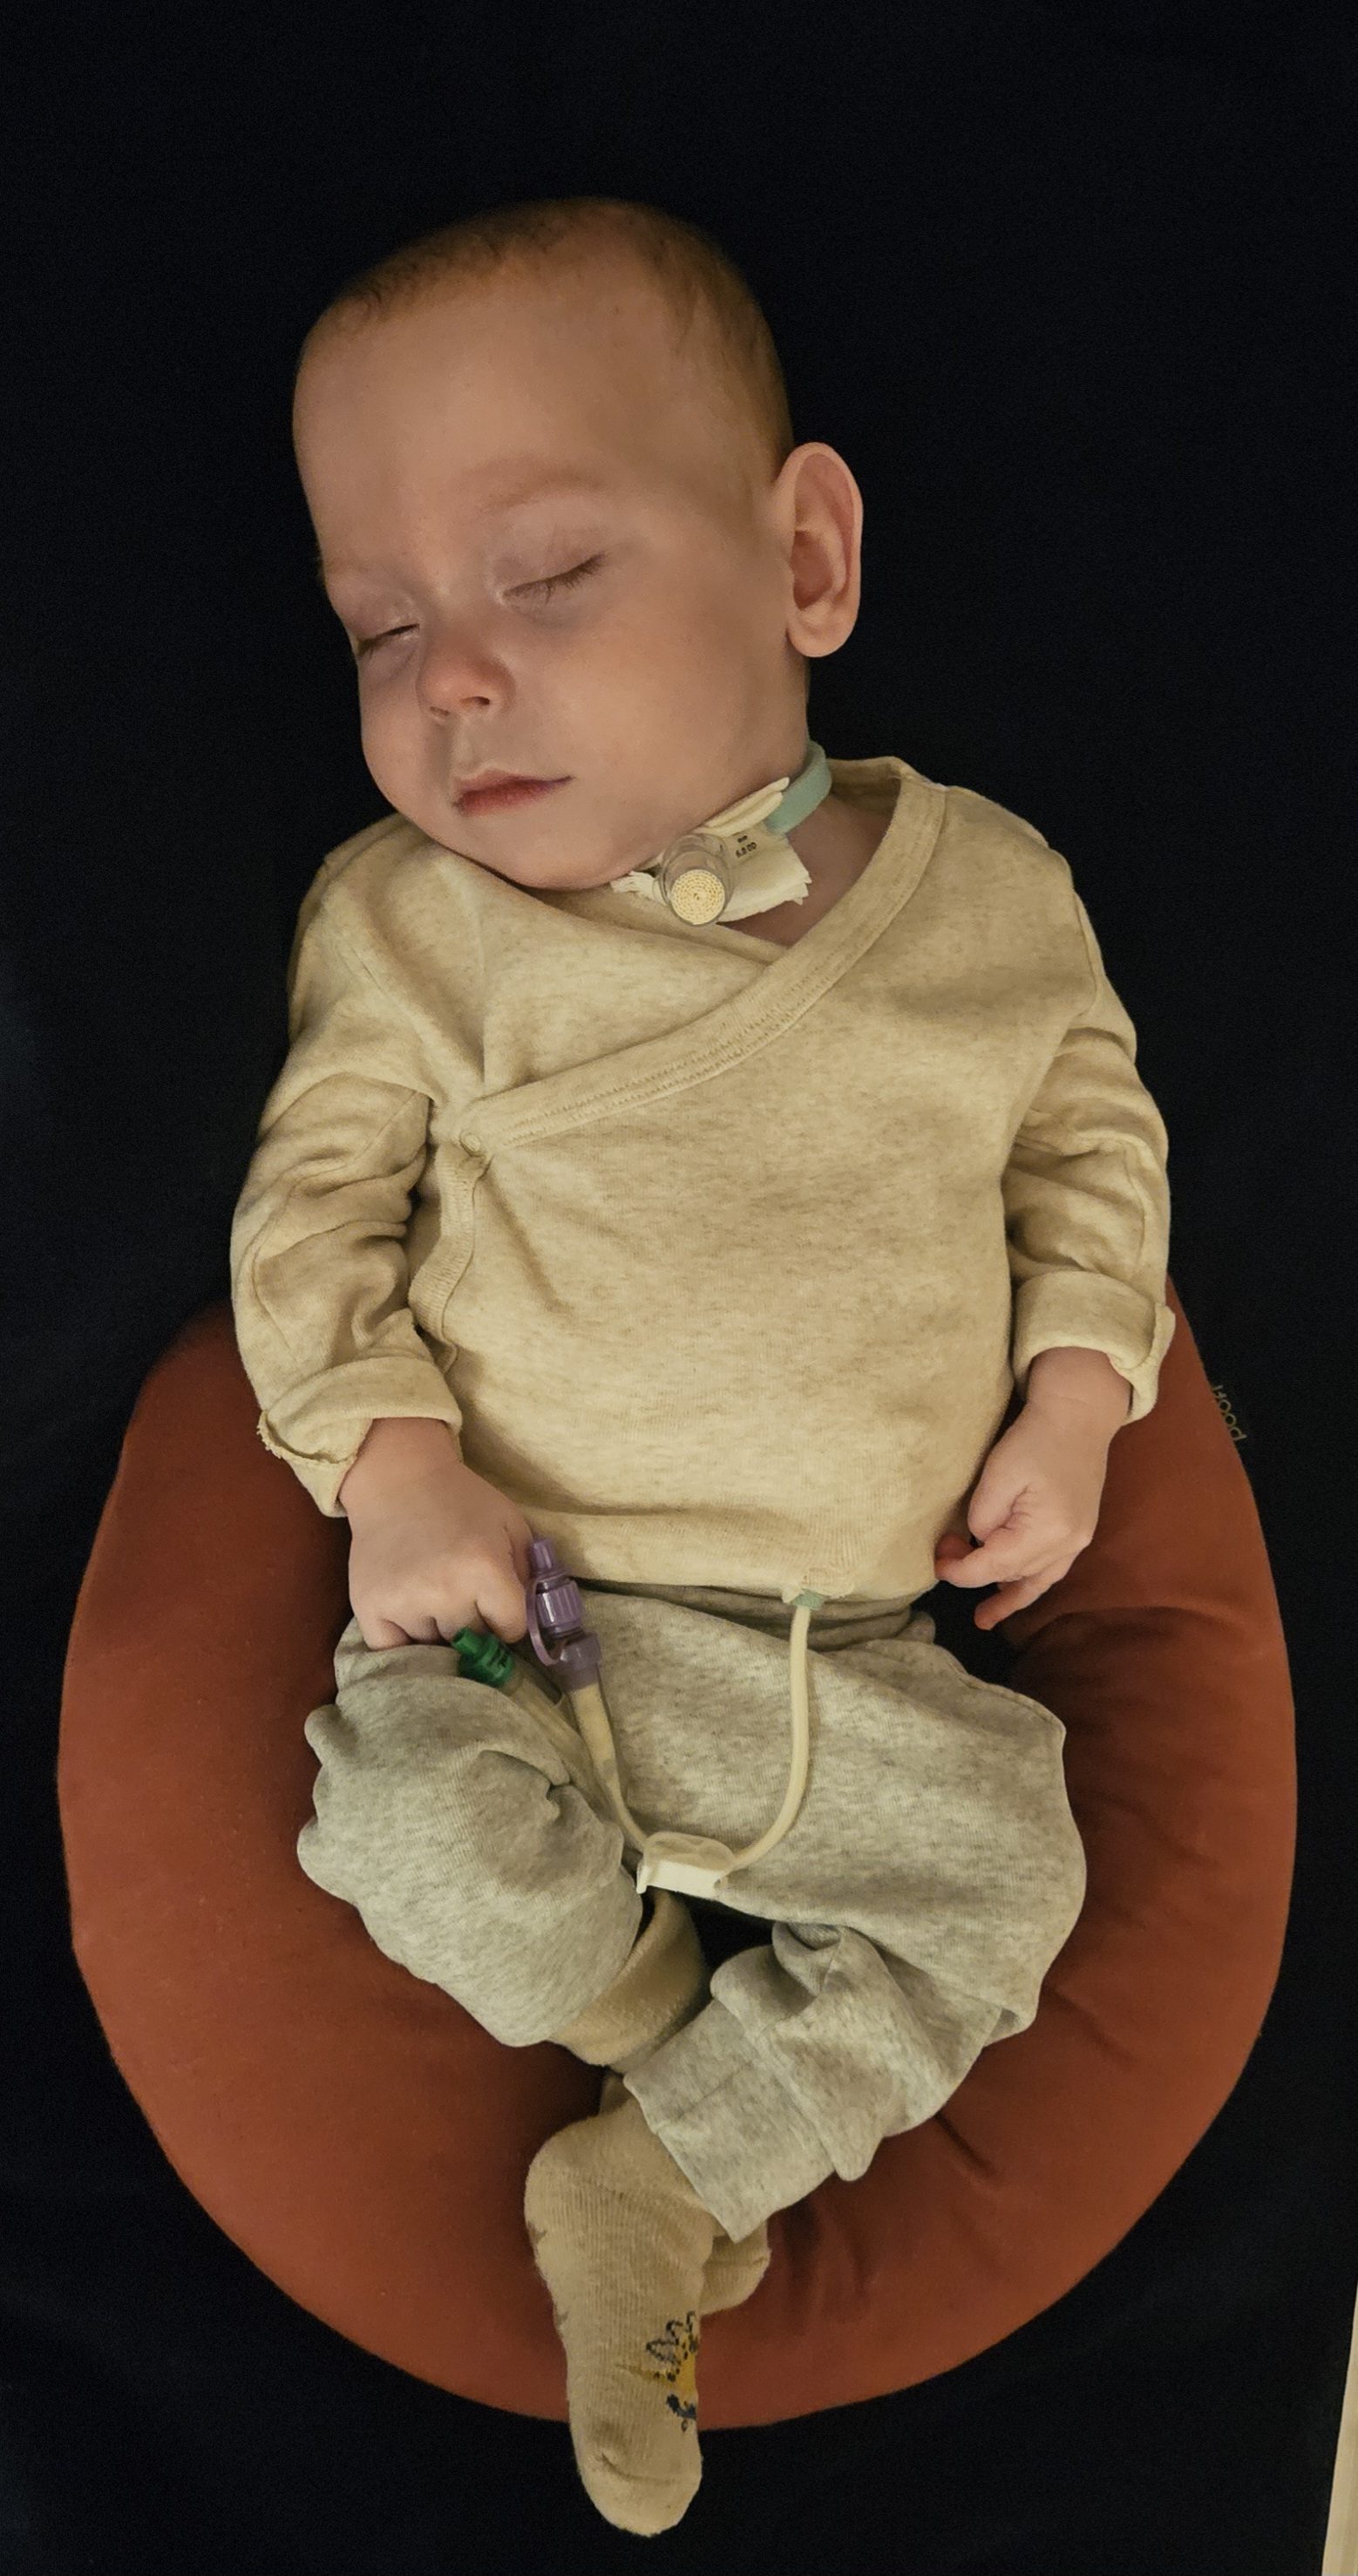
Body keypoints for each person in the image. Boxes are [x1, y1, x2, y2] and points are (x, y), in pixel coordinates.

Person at [228, 194, 1174, 2536]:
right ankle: (658, 2021)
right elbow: (311, 1220)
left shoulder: (992, 897)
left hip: (859, 1666)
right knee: (393, 1821)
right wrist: (392, 1463)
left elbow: (1096, 1149)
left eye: (546, 577)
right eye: (380, 626)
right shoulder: (414, 930)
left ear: (804, 561)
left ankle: (653, 2175)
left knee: (1016, 1880)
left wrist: (1081, 1392)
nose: (451, 679)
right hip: (537, 1628)